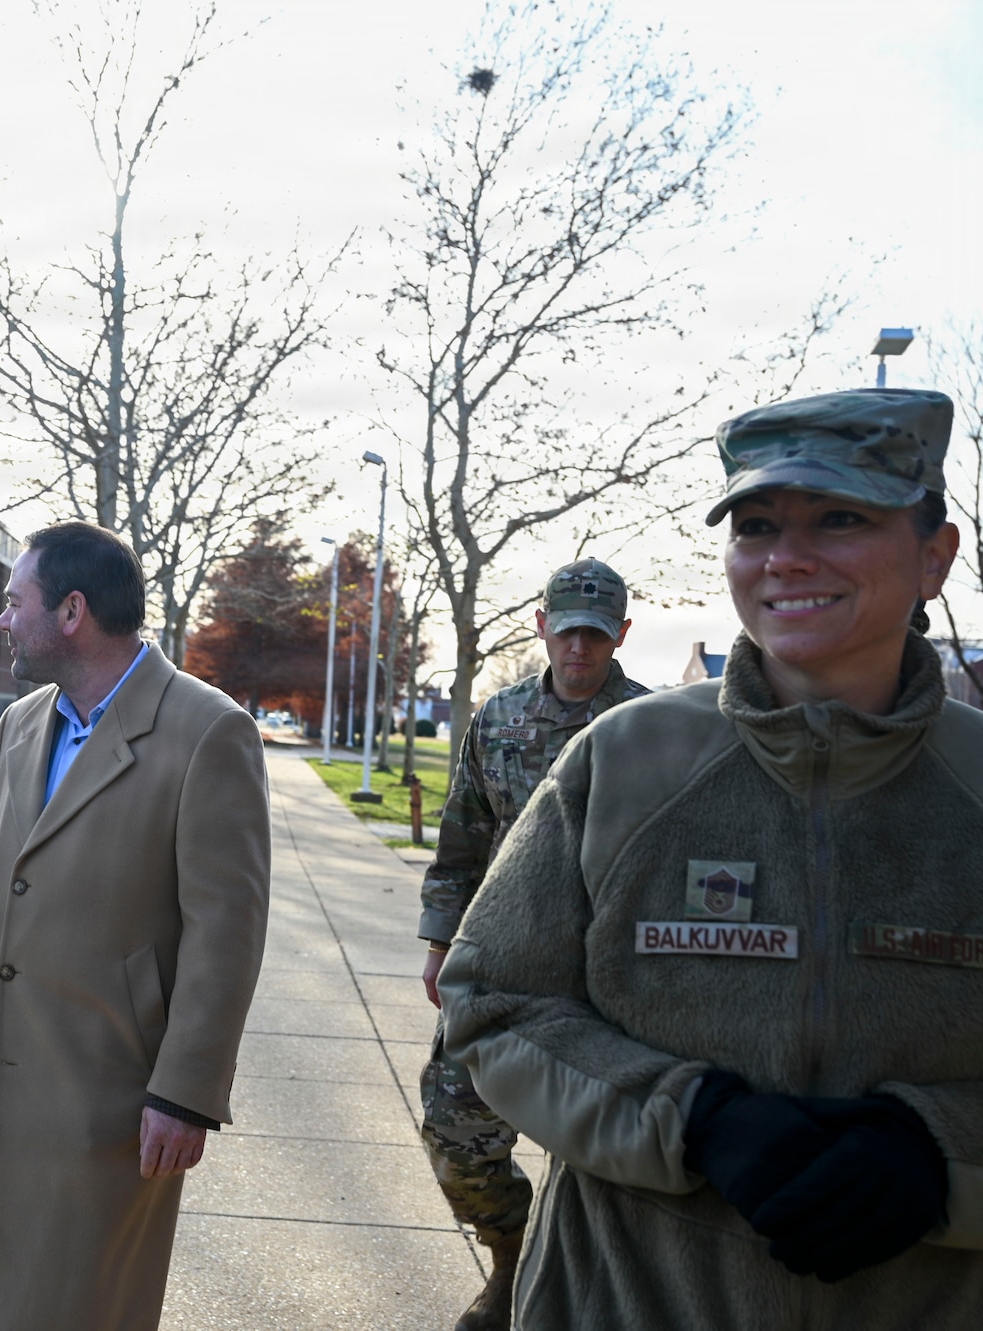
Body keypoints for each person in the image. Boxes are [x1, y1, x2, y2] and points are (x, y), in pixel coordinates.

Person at [440, 387, 983, 1327]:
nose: (787, 557)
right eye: (758, 524)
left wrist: (942, 1152)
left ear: (934, 557)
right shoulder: (624, 761)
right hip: (621, 1298)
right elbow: (494, 1003)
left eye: (841, 517)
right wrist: (693, 1118)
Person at [0, 520, 271, 1331]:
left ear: (71, 612)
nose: (1, 619)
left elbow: (226, 930)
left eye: (11, 601)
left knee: (83, 1305)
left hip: (114, 1093)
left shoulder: (207, 730)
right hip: (1, 1080)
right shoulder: (22, 723)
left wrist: (188, 1092)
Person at [417, 557, 650, 1331]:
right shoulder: (498, 717)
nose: (579, 648)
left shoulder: (654, 726)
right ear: (542, 625)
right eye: (567, 630)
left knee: (596, 1151)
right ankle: (512, 1255)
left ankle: (567, 1292)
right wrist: (438, 939)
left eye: (595, 634)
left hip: (609, 977)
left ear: (618, 633)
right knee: (455, 1132)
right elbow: (462, 839)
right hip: (501, 963)